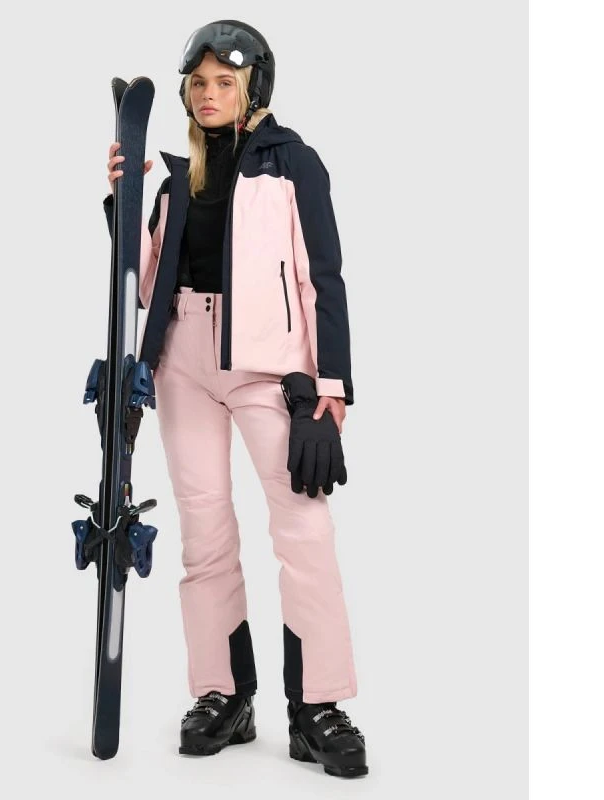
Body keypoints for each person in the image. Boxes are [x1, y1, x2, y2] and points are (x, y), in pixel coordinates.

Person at [104, 20, 367, 779]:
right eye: (199, 83)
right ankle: (223, 693)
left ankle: (318, 705)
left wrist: (330, 388)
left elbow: (323, 277)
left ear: (253, 89)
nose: (209, 94)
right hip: (182, 360)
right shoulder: (175, 180)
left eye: (225, 81)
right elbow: (142, 283)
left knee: (304, 531)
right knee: (205, 532)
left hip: (266, 367)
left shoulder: (293, 164)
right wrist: (122, 201)